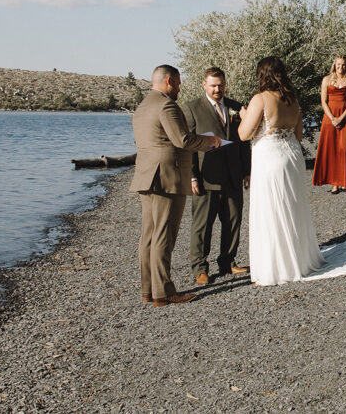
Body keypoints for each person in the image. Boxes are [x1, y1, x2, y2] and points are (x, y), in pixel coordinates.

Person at [130, 65, 219, 307]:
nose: (179, 88)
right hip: (166, 178)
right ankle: (163, 292)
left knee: (148, 236)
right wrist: (210, 141)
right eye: (178, 83)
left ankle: (148, 290)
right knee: (164, 236)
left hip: (146, 176)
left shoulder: (142, 107)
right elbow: (182, 139)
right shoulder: (167, 105)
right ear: (169, 81)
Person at [237, 57, 325, 284]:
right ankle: (298, 259)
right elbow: (297, 135)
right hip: (292, 156)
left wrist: (244, 117)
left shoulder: (261, 99)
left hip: (270, 158)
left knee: (272, 210)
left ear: (262, 75)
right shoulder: (293, 99)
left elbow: (243, 134)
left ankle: (277, 268)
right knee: (292, 207)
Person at [181, 67, 251, 286]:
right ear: (204, 85)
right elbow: (188, 145)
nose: (217, 89)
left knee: (233, 221)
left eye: (220, 85)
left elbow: (243, 141)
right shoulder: (192, 109)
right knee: (202, 225)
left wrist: (247, 171)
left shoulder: (236, 107)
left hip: (233, 173)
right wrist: (192, 176)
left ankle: (228, 261)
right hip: (206, 175)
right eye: (212, 85)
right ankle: (200, 268)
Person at [312, 56, 346, 194]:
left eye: (343, 65)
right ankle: (334, 184)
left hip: (345, 117)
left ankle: (344, 181)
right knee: (330, 150)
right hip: (329, 118)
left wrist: (341, 118)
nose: (341, 67)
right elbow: (323, 101)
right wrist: (332, 118)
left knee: (344, 148)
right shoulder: (326, 80)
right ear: (334, 65)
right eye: (338, 65)